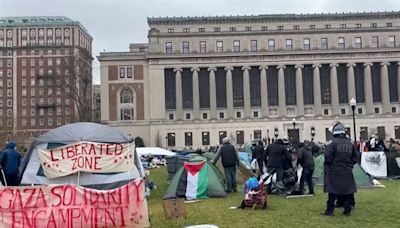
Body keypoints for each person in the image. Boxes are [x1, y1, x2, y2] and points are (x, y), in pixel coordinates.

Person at [322, 122, 358, 216]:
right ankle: (347, 210)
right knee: (347, 191)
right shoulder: (351, 143)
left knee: (332, 192)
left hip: (334, 170)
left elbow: (327, 157)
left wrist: (330, 165)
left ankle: (330, 211)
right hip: (347, 170)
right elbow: (355, 158)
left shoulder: (332, 143)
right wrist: (349, 165)